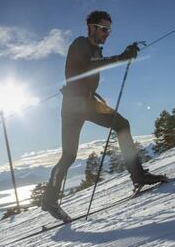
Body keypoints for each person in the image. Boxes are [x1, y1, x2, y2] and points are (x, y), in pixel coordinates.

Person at [42, 11, 165, 222]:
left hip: (84, 103)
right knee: (71, 154)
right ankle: (50, 200)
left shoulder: (96, 50)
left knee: (119, 126)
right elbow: (91, 65)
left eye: (109, 30)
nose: (107, 34)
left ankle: (138, 176)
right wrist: (121, 57)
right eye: (104, 28)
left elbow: (95, 64)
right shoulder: (80, 44)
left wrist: (124, 55)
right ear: (91, 26)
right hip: (76, 104)